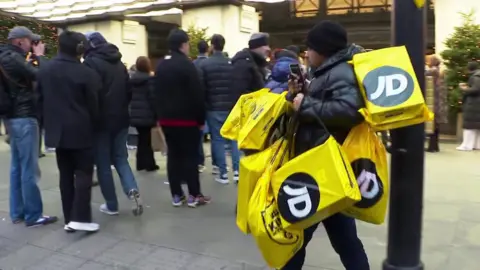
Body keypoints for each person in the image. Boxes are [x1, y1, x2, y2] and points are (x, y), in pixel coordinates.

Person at [284, 21, 369, 269]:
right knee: (345, 240)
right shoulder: (326, 71)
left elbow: (349, 110)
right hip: (325, 164)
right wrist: (296, 95)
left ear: (323, 49)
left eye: (310, 48)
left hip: (324, 166)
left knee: (297, 234)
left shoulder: (341, 71)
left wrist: (305, 105)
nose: (307, 54)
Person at [37, 31, 100, 232]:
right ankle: (80, 217)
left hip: (57, 132)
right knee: (83, 174)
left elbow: (39, 100)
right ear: (79, 49)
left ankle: (69, 219)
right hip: (81, 130)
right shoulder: (86, 73)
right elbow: (94, 105)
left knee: (65, 175)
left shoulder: (45, 70)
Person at [0, 26, 58, 227]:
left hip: (12, 119)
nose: (31, 45)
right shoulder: (14, 58)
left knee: (17, 167)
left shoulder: (5, 56)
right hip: (25, 117)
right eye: (29, 41)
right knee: (29, 169)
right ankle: (33, 215)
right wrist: (40, 56)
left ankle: (17, 212)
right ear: (19, 41)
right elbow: (41, 76)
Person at [83, 31, 143, 216]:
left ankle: (111, 204)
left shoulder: (90, 63)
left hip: (101, 121)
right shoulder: (119, 63)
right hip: (121, 119)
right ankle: (132, 189)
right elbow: (128, 91)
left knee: (103, 164)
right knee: (120, 158)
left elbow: (90, 94)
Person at [153, 29, 210, 207]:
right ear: (182, 45)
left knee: (173, 156)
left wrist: (159, 116)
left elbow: (156, 93)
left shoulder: (161, 65)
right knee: (190, 157)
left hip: (167, 120)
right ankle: (194, 194)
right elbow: (196, 95)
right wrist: (201, 120)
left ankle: (176, 195)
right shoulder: (187, 65)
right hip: (188, 120)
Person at [197, 34, 239, 184]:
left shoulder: (205, 65)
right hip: (231, 107)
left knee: (217, 139)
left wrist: (205, 106)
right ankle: (236, 171)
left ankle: (222, 173)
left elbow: (202, 89)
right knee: (234, 139)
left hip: (213, 107)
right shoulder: (231, 63)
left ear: (212, 46)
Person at [130, 56, 159, 171]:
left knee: (142, 139)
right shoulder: (149, 80)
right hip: (147, 113)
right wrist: (157, 114)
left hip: (136, 113)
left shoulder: (132, 80)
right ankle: (149, 164)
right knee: (146, 140)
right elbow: (152, 98)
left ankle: (140, 163)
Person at [230, 32, 271, 96]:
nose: (268, 49)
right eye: (265, 45)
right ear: (256, 46)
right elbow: (240, 93)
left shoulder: (258, 64)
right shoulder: (243, 64)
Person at [193, 40, 210, 173]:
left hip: (198, 102)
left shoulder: (193, 64)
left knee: (197, 134)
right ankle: (218, 165)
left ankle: (199, 161)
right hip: (214, 103)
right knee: (217, 137)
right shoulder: (210, 63)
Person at [425, 56, 448, 152]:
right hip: (439, 101)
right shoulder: (440, 71)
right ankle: (435, 146)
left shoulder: (433, 71)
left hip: (434, 102)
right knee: (436, 125)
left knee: (432, 125)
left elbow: (423, 75)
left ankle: (432, 147)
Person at [457, 61, 480, 151]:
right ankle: (476, 145)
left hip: (473, 104)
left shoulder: (475, 77)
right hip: (477, 104)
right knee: (476, 126)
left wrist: (464, 88)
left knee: (469, 125)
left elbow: (475, 89)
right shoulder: (477, 75)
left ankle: (467, 145)